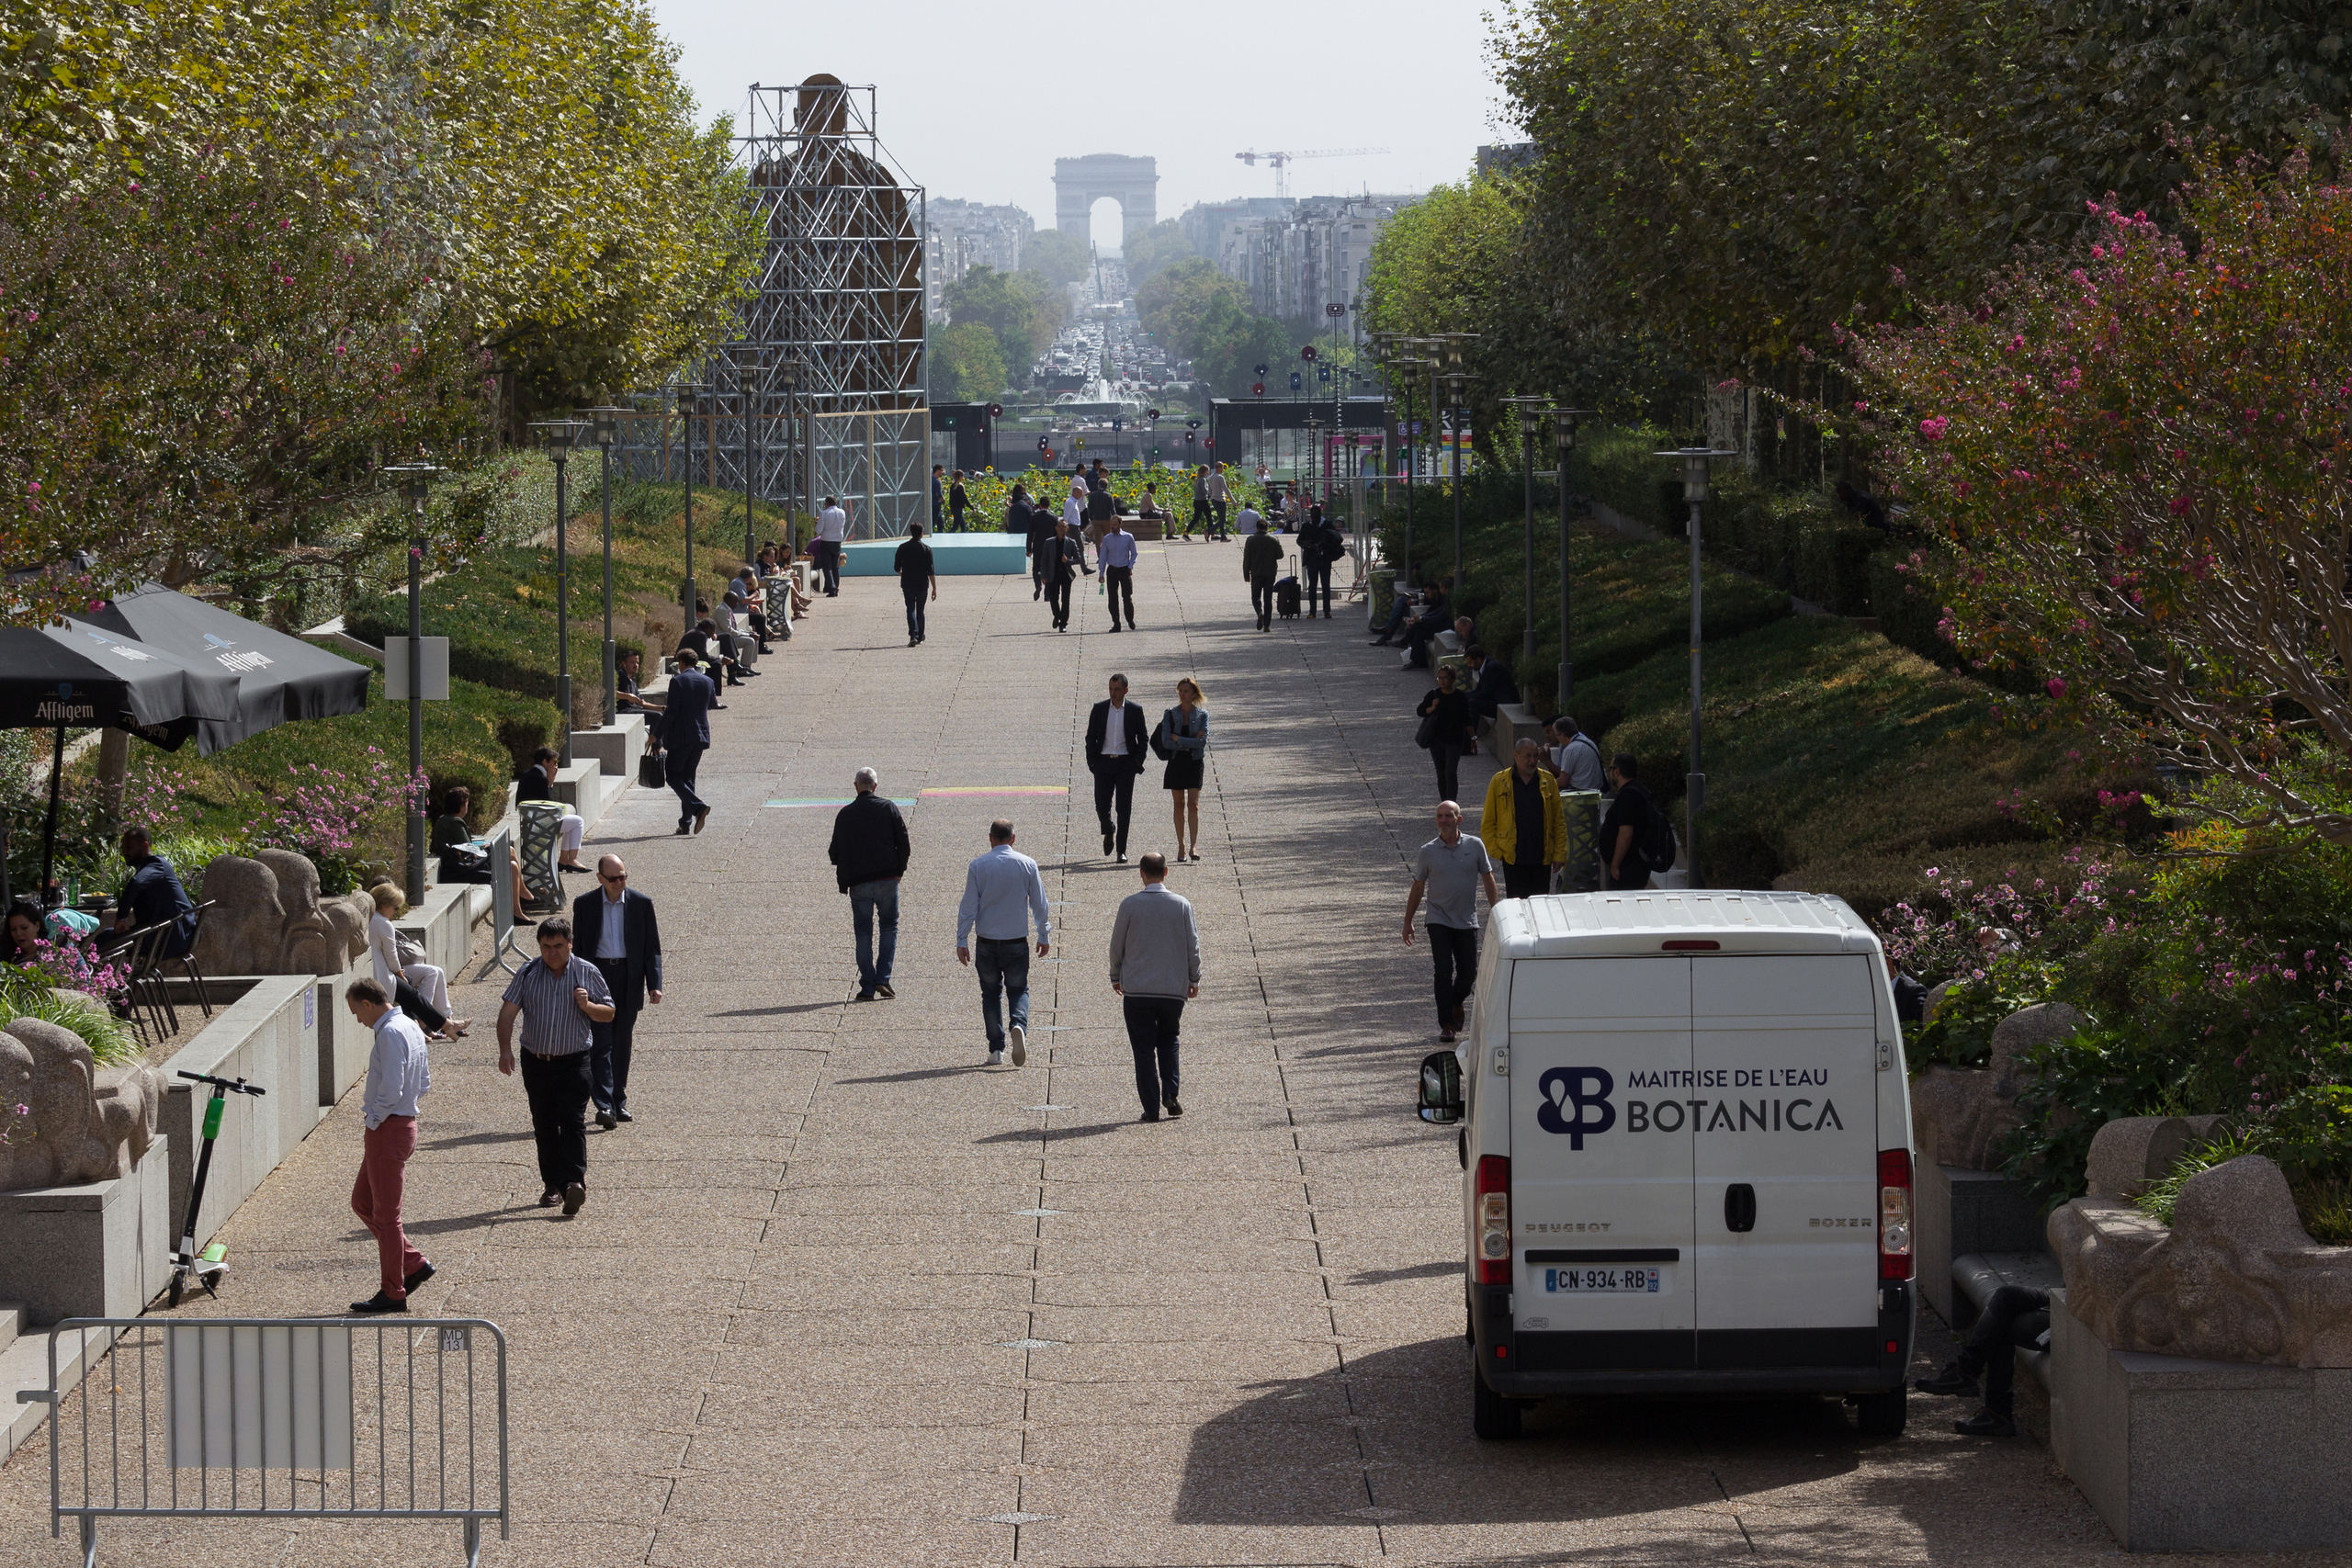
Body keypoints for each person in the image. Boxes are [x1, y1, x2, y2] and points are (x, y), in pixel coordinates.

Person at [496, 917, 616, 1215]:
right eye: (546, 947)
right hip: (536, 1062)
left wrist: (587, 1007)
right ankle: (552, 1186)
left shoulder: (587, 972)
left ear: (570, 944)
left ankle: (574, 1183)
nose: (552, 953)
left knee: (573, 1122)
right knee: (545, 1124)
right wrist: (504, 1051)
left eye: (558, 946)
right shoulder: (527, 973)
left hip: (574, 1061)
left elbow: (609, 1013)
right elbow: (508, 1013)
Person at [343, 977, 433, 1314]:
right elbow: (423, 1081)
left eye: (356, 1012)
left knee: (386, 1217)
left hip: (389, 1128)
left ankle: (393, 1291)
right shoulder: (408, 1024)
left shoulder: (391, 1032)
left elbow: (392, 1088)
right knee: (363, 1202)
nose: (357, 1020)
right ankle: (413, 1264)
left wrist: (374, 1119)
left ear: (368, 1003)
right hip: (398, 1124)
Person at [1108, 853, 1200, 1123]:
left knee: (1144, 1049)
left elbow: (1117, 945)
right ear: (1166, 872)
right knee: (1169, 1039)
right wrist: (1194, 978)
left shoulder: (1130, 905)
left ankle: (1151, 1107)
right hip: (1172, 988)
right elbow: (1192, 945)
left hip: (1137, 990)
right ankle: (1170, 1092)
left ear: (1141, 873)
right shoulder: (1182, 905)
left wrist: (1116, 974)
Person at [572, 854, 661, 1129]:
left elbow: (652, 948)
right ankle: (604, 1105)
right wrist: (576, 983)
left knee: (622, 1041)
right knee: (601, 1043)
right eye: (613, 878)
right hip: (598, 976)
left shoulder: (641, 904)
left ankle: (619, 1100)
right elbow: (578, 951)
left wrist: (654, 984)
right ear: (600, 878)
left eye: (623, 876)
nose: (619, 882)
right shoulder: (585, 905)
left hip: (628, 976)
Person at [955, 819, 1050, 1066]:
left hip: (986, 941)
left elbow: (969, 906)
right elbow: (1039, 904)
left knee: (990, 993)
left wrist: (962, 938)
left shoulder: (977, 866)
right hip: (1016, 940)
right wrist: (1043, 934)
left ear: (990, 838)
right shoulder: (1027, 864)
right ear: (1013, 838)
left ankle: (996, 1049)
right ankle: (1018, 1024)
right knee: (1018, 990)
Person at [1402, 800, 1498, 1043]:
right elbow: (1418, 887)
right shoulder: (1428, 851)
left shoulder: (1475, 846)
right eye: (1439, 816)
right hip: (1438, 919)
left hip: (1467, 919)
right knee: (1443, 970)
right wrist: (1408, 921)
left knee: (1468, 972)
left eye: (1448, 816)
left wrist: (1497, 911)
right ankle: (1446, 1023)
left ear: (1459, 819)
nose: (1443, 820)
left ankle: (1456, 1002)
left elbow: (1488, 878)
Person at [1915, 1284, 2051, 1436]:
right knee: (2006, 1298)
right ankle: (1993, 1409)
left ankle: (1971, 1379)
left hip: (2068, 1305)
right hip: (2061, 1294)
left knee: (2002, 1317)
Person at [829, 766, 910, 1001]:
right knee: (889, 926)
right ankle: (883, 979)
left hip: (859, 883)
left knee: (863, 932)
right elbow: (904, 844)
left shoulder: (845, 814)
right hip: (887, 879)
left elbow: (834, 852)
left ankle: (866, 985)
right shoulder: (888, 808)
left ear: (856, 786)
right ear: (876, 786)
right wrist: (899, 871)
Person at [367, 883, 469, 1041]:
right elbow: (392, 957)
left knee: (411, 994)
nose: (396, 912)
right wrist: (401, 975)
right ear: (384, 904)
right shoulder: (383, 923)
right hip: (381, 974)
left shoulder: (371, 918)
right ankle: (440, 1024)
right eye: (395, 908)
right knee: (411, 993)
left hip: (375, 970)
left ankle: (442, 1024)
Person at [1482, 739, 1567, 901]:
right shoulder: (1500, 781)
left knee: (1540, 906)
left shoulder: (1548, 781)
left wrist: (1559, 853)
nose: (1533, 761)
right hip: (1514, 859)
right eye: (1528, 756)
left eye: (1536, 756)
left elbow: (1559, 822)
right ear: (1515, 755)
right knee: (1517, 907)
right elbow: (1487, 823)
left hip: (1542, 858)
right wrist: (1499, 852)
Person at [431, 787, 530, 912]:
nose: (467, 807)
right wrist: (485, 847)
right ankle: (523, 896)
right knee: (510, 855)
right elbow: (468, 848)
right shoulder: (455, 822)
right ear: (461, 806)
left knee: (511, 860)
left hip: (456, 865)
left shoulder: (442, 819)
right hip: (462, 869)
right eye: (467, 803)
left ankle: (521, 899)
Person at [1086, 674, 1148, 862]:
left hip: (1126, 764)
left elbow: (1143, 738)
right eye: (1111, 689)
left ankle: (1121, 850)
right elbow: (1090, 737)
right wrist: (1092, 762)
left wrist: (1137, 761)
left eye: (1117, 690)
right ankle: (1109, 828)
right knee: (1101, 806)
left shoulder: (1135, 710)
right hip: (1103, 763)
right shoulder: (1099, 709)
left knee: (1124, 808)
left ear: (1126, 691)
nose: (1113, 693)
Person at [657, 645, 718, 835]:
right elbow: (712, 704)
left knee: (674, 776)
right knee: (688, 778)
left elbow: (672, 712)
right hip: (700, 736)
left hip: (681, 737)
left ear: (681, 663)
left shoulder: (678, 681)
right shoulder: (708, 680)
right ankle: (685, 823)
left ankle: (698, 807)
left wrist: (656, 734)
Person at [110, 827, 196, 957]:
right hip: (168, 936)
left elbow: (136, 883)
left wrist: (121, 918)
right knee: (108, 936)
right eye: (122, 848)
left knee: (103, 940)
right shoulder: (152, 867)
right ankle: (119, 975)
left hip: (170, 940)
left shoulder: (156, 865)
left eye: (128, 847)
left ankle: (105, 977)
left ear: (145, 846)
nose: (124, 852)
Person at [514, 747, 590, 869]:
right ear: (545, 762)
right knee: (578, 822)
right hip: (540, 823)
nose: (555, 766)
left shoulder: (527, 774)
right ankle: (572, 859)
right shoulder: (541, 778)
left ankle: (564, 860)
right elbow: (549, 804)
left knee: (571, 823)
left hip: (529, 821)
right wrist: (550, 782)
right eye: (554, 762)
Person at [1600, 752, 1663, 890]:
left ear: (1617, 772)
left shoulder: (1627, 796)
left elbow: (1626, 834)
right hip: (1636, 865)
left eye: (1611, 768)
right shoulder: (1640, 791)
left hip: (1628, 867)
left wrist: (1615, 865)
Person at [1162, 677, 1209, 862]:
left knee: (1193, 805)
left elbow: (1203, 742)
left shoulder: (1202, 715)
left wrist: (1179, 740)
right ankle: (1181, 846)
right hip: (1176, 762)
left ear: (1194, 694)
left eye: (1186, 691)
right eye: (1180, 690)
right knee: (1179, 804)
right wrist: (1191, 743)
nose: (1182, 694)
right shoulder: (1171, 713)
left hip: (1194, 761)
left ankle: (1193, 846)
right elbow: (1166, 741)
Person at [1416, 665, 1476, 803]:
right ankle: (1444, 803)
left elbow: (1468, 719)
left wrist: (1473, 738)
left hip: (1454, 741)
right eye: (1439, 678)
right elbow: (1420, 711)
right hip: (1436, 741)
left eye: (1445, 678)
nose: (1441, 681)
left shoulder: (1460, 696)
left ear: (1452, 679)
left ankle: (1452, 804)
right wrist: (1432, 707)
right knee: (1441, 774)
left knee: (1450, 772)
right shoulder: (1433, 695)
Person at [5, 897, 97, 963]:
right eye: (13, 929)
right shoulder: (9, 954)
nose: (19, 933)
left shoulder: (60, 946)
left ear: (37, 926)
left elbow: (85, 979)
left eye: (24, 928)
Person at [895, 522, 939, 646]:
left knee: (910, 609)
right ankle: (920, 635)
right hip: (922, 584)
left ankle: (913, 635)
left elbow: (896, 566)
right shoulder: (926, 549)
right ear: (921, 534)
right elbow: (931, 571)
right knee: (920, 610)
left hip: (908, 583)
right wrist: (934, 588)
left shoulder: (902, 547)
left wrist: (901, 573)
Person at [1297, 504, 1342, 618]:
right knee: (1312, 585)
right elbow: (1299, 540)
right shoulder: (1307, 526)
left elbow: (1336, 539)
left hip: (1325, 558)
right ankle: (1312, 611)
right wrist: (1306, 545)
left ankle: (1327, 611)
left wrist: (1325, 544)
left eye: (1316, 517)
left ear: (1320, 516)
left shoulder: (1327, 525)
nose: (1314, 520)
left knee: (1325, 584)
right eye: (1313, 517)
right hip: (1312, 558)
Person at [1041, 517, 1083, 632]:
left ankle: (1063, 623)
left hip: (1066, 574)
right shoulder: (1049, 542)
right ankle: (1057, 616)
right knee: (1053, 598)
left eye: (1063, 527)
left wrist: (1068, 560)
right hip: (1053, 574)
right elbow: (1044, 560)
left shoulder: (1071, 543)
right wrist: (1043, 575)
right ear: (1056, 528)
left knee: (1066, 600)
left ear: (1067, 528)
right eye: (1059, 526)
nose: (1061, 529)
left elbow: (1079, 559)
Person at [1464, 646, 1520, 732]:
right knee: (1469, 701)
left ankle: (1471, 735)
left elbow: (1484, 694)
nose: (1469, 665)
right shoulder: (1486, 666)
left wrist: (1464, 698)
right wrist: (1461, 695)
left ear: (1478, 660)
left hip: (1504, 705)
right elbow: (1478, 690)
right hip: (1496, 701)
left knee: (1472, 703)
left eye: (1470, 662)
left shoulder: (1492, 668)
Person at [1098, 514, 1138, 631]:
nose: (1113, 527)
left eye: (1115, 524)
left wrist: (1130, 566)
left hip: (1124, 569)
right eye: (1111, 525)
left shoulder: (1128, 537)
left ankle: (1130, 619)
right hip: (1112, 570)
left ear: (1120, 524)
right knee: (1112, 598)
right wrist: (1101, 573)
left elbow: (1134, 553)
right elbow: (1103, 557)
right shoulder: (1107, 539)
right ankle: (1116, 623)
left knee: (1126, 596)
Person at [1549, 716, 1606, 795]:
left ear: (1562, 735)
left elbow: (1562, 781)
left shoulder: (1570, 749)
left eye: (1556, 735)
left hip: (1581, 792)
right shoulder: (1589, 742)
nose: (1557, 739)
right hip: (1596, 790)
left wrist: (1547, 786)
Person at [1242, 523, 1283, 632]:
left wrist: (1246, 573)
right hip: (1270, 573)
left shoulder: (1250, 540)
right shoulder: (1273, 539)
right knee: (1268, 599)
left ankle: (1259, 612)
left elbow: (1246, 558)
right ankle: (1267, 625)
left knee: (1255, 597)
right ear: (1267, 528)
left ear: (1257, 527)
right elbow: (1280, 555)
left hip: (1256, 573)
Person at [1023, 484, 1056, 601]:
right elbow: (1057, 535)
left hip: (1038, 546)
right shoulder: (1054, 518)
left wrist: (1028, 549)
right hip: (1051, 547)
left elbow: (1030, 534)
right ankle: (1047, 594)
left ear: (1040, 505)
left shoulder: (1034, 518)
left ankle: (1038, 585)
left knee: (1036, 569)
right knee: (1049, 569)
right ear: (1049, 505)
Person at [813, 495, 850, 595]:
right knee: (835, 566)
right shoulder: (842, 512)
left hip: (826, 541)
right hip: (837, 542)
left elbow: (819, 529)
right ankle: (836, 587)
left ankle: (831, 587)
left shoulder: (824, 513)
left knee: (827, 567)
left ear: (827, 503)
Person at [615, 649, 665, 717]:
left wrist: (662, 708)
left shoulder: (633, 682)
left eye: (637, 663)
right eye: (632, 662)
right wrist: (627, 696)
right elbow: (609, 692)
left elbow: (643, 703)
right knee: (657, 716)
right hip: (624, 711)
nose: (636, 665)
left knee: (662, 714)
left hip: (634, 710)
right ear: (624, 664)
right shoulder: (621, 675)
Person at [1204, 464, 1230, 539]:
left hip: (1214, 500)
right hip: (1220, 500)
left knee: (1221, 518)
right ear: (1220, 468)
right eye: (1222, 467)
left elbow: (1209, 491)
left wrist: (1212, 497)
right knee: (1223, 519)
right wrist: (1233, 501)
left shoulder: (1210, 477)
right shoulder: (1220, 477)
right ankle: (1208, 531)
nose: (1223, 469)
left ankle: (1223, 537)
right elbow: (1226, 489)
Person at [1189, 466, 1212, 539]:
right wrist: (1209, 488)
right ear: (1204, 471)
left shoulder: (1198, 479)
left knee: (1196, 518)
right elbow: (1204, 491)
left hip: (1197, 501)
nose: (1208, 472)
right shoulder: (1203, 480)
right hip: (1203, 501)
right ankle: (1211, 533)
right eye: (1207, 471)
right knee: (1209, 517)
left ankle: (1186, 533)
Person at [948, 468, 969, 532]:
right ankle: (948, 537)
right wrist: (971, 507)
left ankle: (964, 537)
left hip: (954, 508)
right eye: (962, 476)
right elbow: (963, 498)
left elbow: (951, 498)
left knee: (963, 526)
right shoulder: (959, 486)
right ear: (960, 477)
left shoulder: (953, 485)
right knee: (955, 526)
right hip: (958, 508)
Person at [930, 463, 946, 532]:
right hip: (936, 504)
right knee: (933, 522)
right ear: (937, 471)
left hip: (931, 503)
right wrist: (943, 500)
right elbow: (938, 494)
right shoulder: (937, 481)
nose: (942, 472)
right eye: (941, 470)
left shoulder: (930, 479)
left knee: (940, 523)